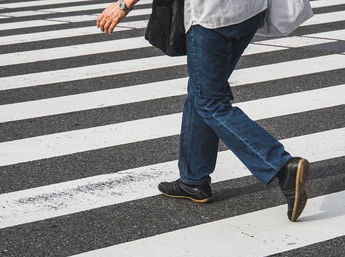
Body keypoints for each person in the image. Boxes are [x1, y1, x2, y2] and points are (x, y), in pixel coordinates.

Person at [97, 0, 310, 221]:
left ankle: (282, 167)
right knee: (202, 91)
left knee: (211, 102)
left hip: (211, 17)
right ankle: (193, 180)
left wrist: (124, 4)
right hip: (249, 11)